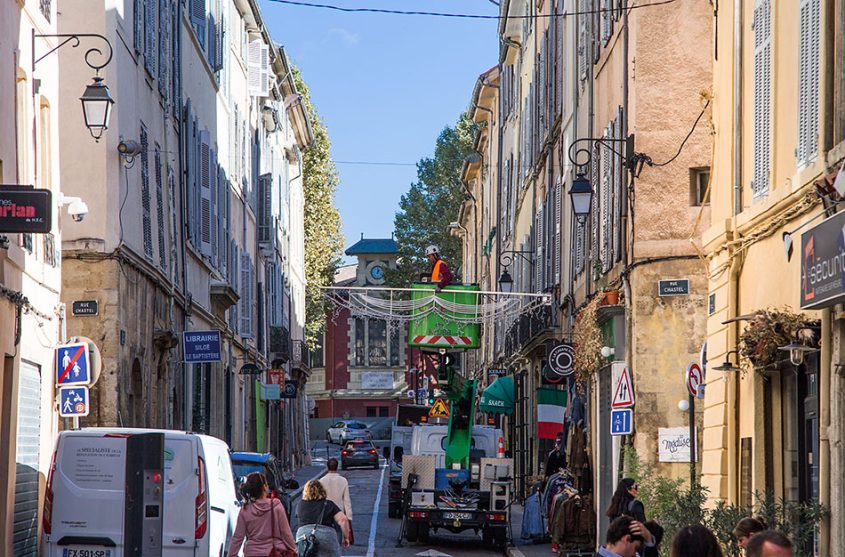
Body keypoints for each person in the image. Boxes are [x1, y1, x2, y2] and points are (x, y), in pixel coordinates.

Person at [228, 472, 296, 557]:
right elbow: (286, 533)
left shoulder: (245, 510)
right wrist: (294, 549)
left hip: (252, 553)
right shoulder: (276, 506)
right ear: (264, 487)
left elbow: (237, 538)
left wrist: (231, 555)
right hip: (274, 552)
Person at [296, 480, 351, 556]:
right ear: (322, 490)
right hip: (326, 537)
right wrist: (346, 537)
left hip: (304, 538)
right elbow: (343, 519)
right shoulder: (328, 504)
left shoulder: (300, 504)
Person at [319, 458, 353, 543]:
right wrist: (348, 517)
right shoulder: (343, 480)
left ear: (327, 467)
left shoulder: (321, 481)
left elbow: (319, 499)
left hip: (326, 512)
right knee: (338, 532)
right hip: (339, 512)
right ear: (337, 467)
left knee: (326, 533)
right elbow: (346, 500)